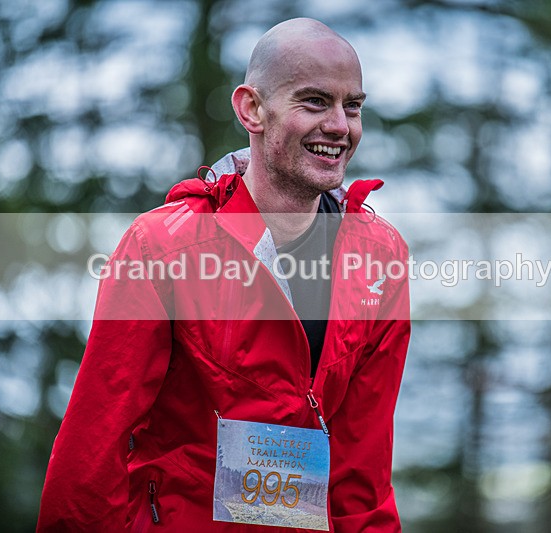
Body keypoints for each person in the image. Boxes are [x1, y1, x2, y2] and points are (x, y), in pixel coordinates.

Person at [37, 17, 410, 532]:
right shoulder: (163, 246)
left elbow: (362, 473)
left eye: (353, 106)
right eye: (315, 101)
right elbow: (94, 446)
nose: (340, 126)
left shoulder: (379, 256)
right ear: (252, 109)